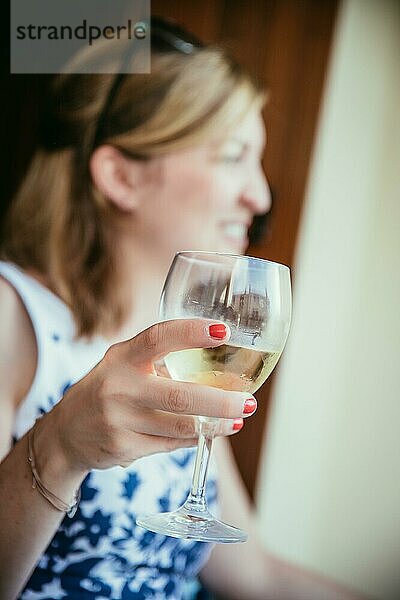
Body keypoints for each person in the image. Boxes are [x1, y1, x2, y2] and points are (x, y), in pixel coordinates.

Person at [0, 17, 363, 600]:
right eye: (233, 156)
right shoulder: (11, 317)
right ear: (120, 176)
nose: (261, 195)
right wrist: (60, 444)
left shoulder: (186, 355)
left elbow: (255, 574)